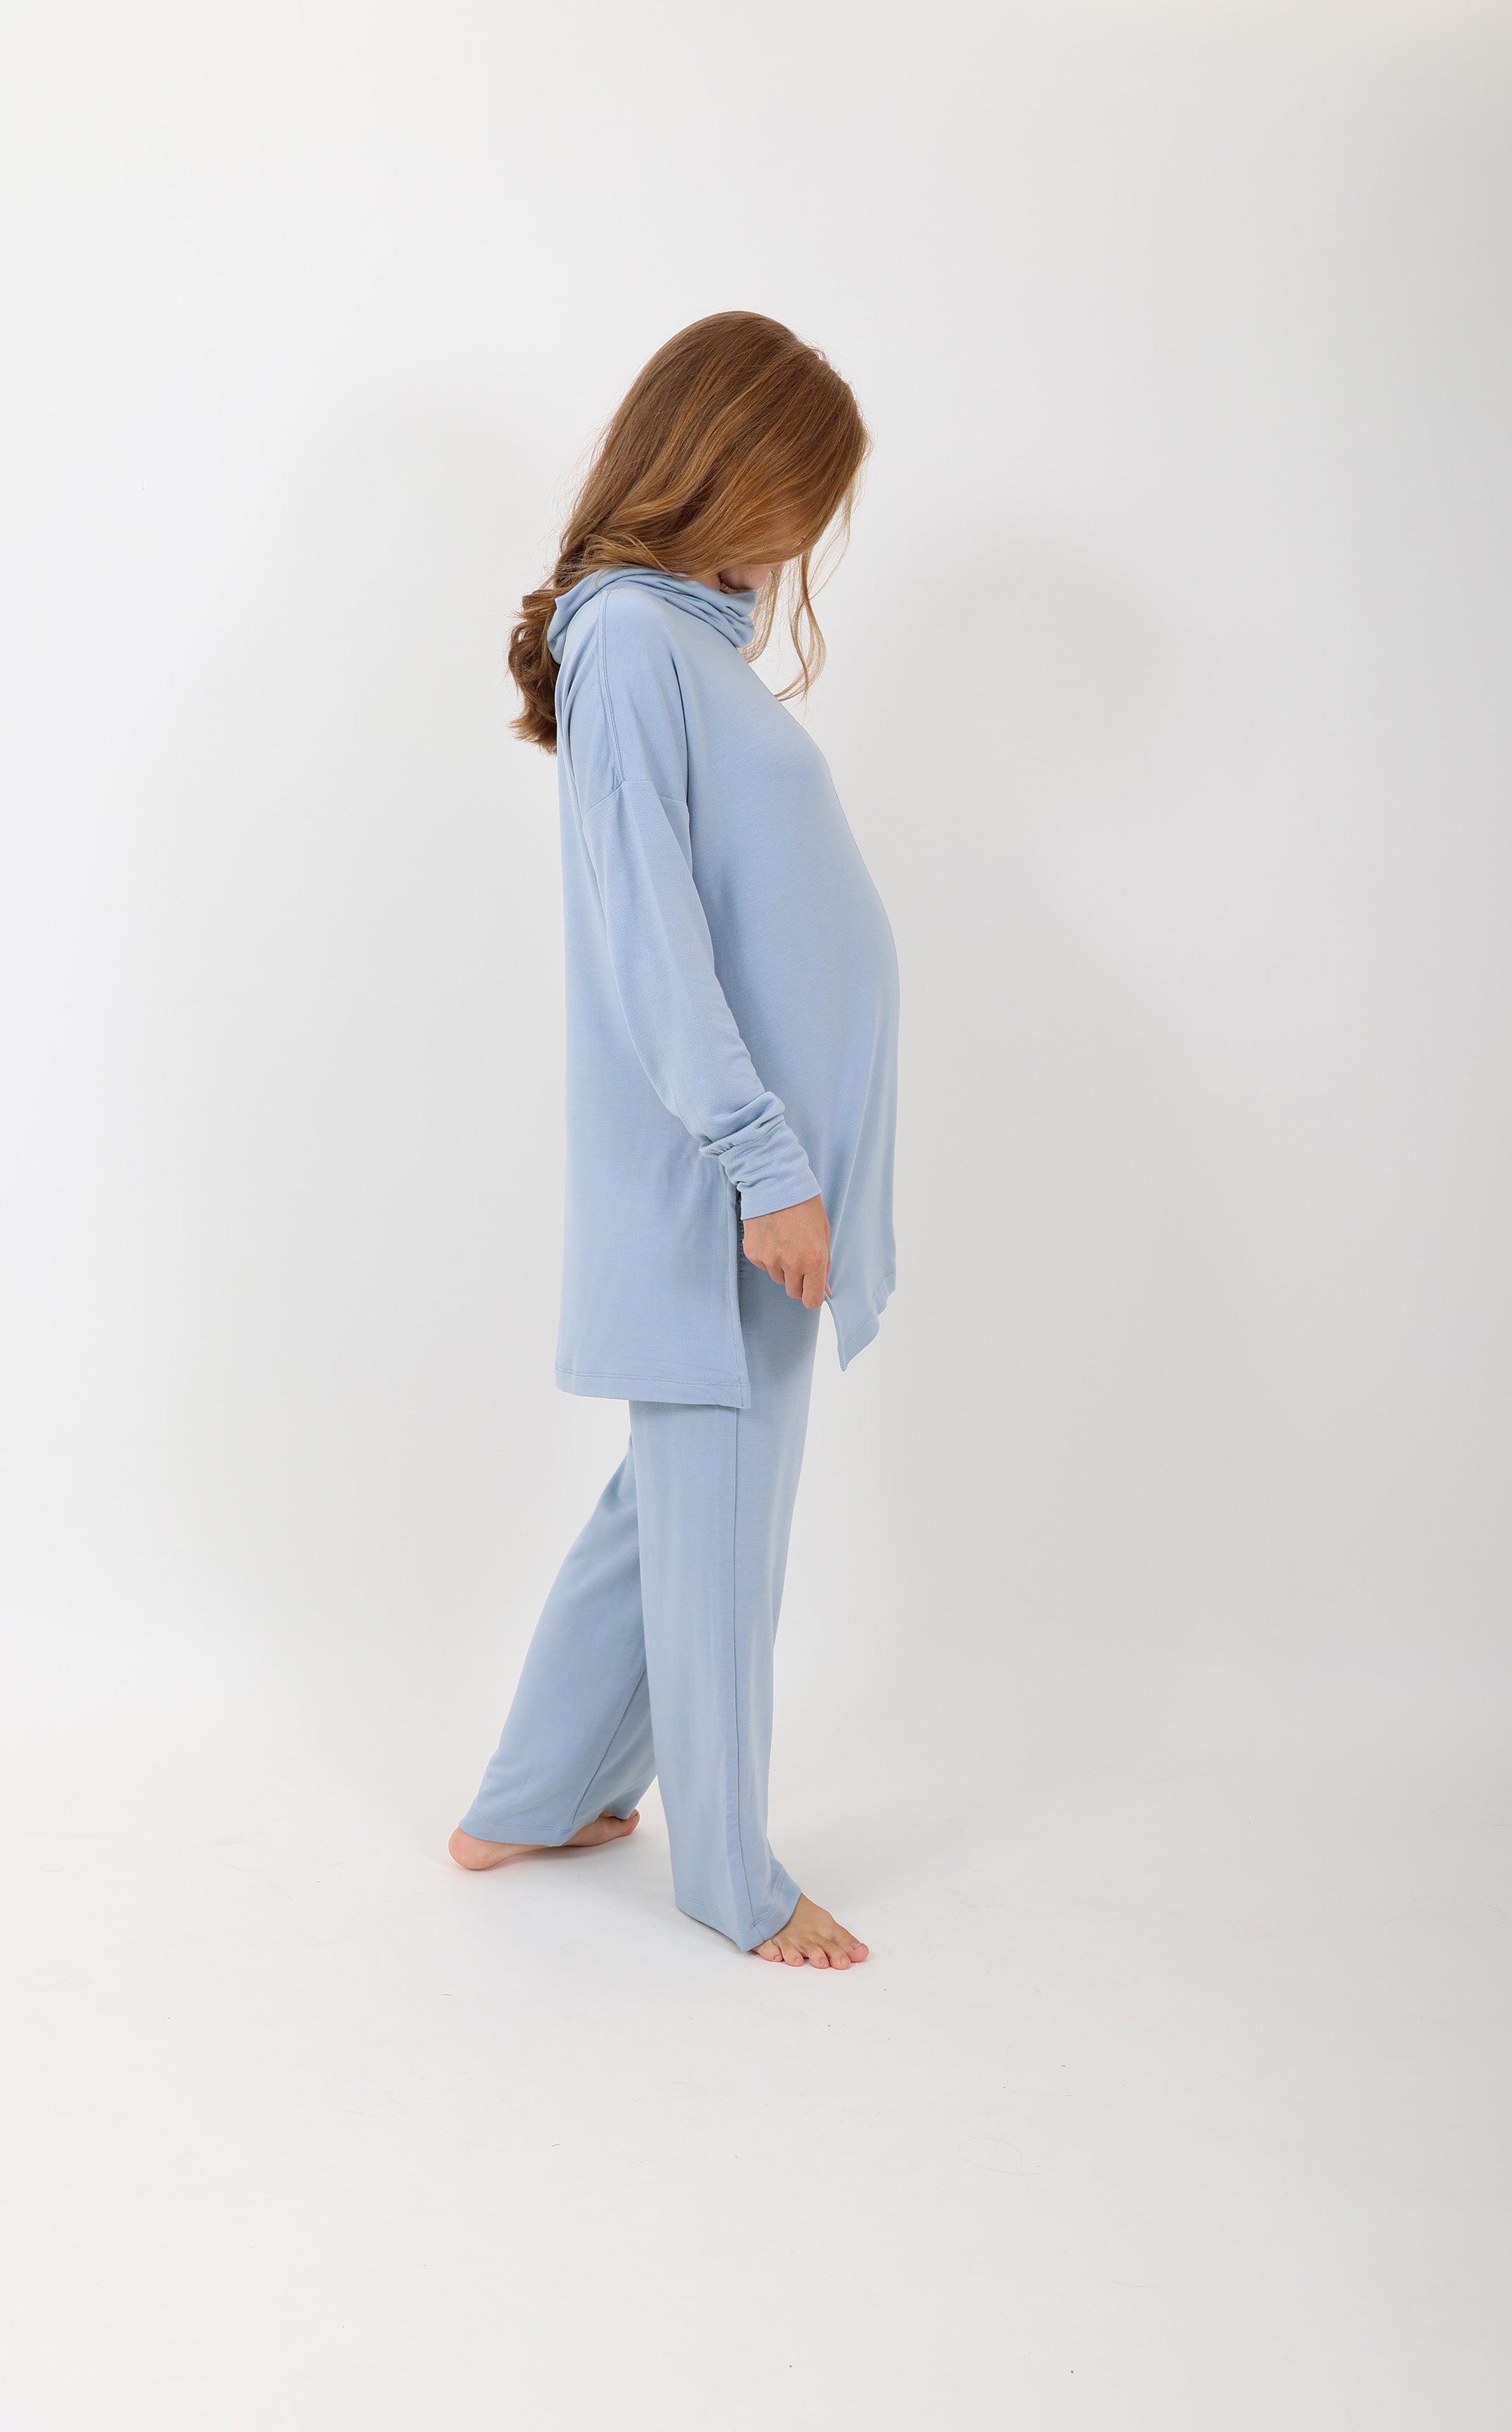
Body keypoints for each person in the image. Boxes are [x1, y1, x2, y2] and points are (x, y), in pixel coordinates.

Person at [448, 313, 899, 1969]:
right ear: (724, 461)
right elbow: (651, 937)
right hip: (728, 1191)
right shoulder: (634, 641)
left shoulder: (676, 646)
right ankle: (729, 1875)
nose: (801, 535)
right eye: (796, 493)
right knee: (719, 1531)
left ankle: (532, 1796)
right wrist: (764, 1166)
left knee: (671, 1502)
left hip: (753, 1181)